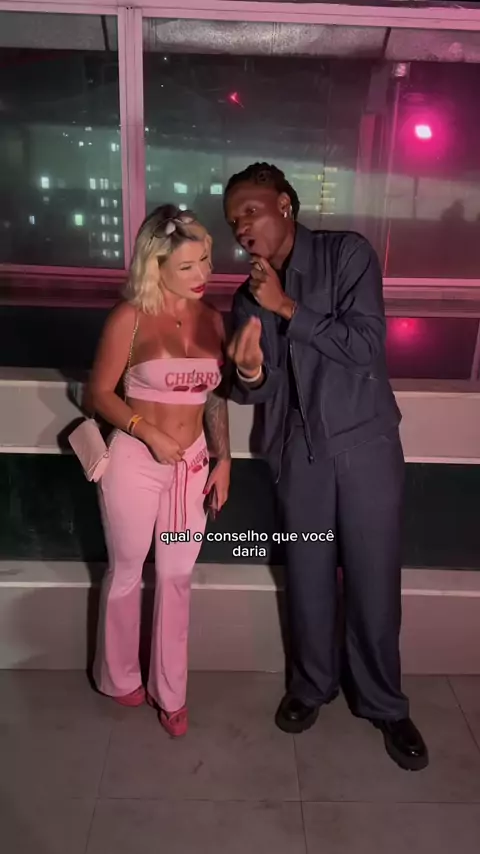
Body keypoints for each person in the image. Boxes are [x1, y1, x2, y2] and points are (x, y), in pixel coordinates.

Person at [224, 163, 428, 771]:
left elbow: (365, 345)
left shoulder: (347, 255)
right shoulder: (246, 295)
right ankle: (312, 686)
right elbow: (259, 387)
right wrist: (249, 372)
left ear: (285, 205)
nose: (241, 228)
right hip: (299, 453)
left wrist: (287, 307)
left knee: (373, 579)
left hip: (364, 445)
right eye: (233, 221)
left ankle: (384, 702)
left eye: (250, 211)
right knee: (308, 575)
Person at [86, 205, 231, 737]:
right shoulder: (128, 318)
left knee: (176, 576)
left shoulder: (212, 318)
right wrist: (147, 430)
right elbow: (98, 394)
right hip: (135, 463)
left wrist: (224, 458)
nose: (203, 275)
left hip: (192, 467)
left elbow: (215, 397)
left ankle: (171, 692)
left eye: (207, 261)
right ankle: (118, 675)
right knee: (127, 571)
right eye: (188, 266)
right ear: (156, 264)